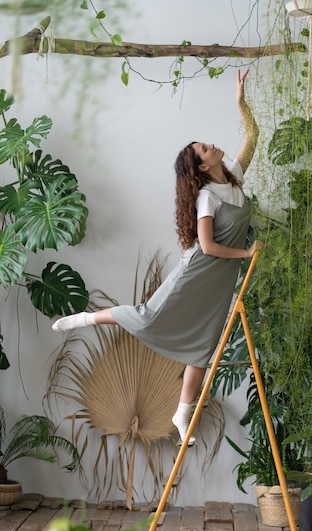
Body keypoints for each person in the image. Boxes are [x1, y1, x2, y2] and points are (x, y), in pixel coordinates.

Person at [52, 68, 261, 445]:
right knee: (147, 317)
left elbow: (254, 136)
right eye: (204, 149)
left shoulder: (231, 176)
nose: (212, 146)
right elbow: (209, 247)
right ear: (201, 166)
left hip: (220, 278)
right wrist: (246, 252)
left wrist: (240, 103)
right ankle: (85, 318)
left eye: (206, 145)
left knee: (204, 342)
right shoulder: (206, 198)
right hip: (200, 272)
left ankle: (182, 414)